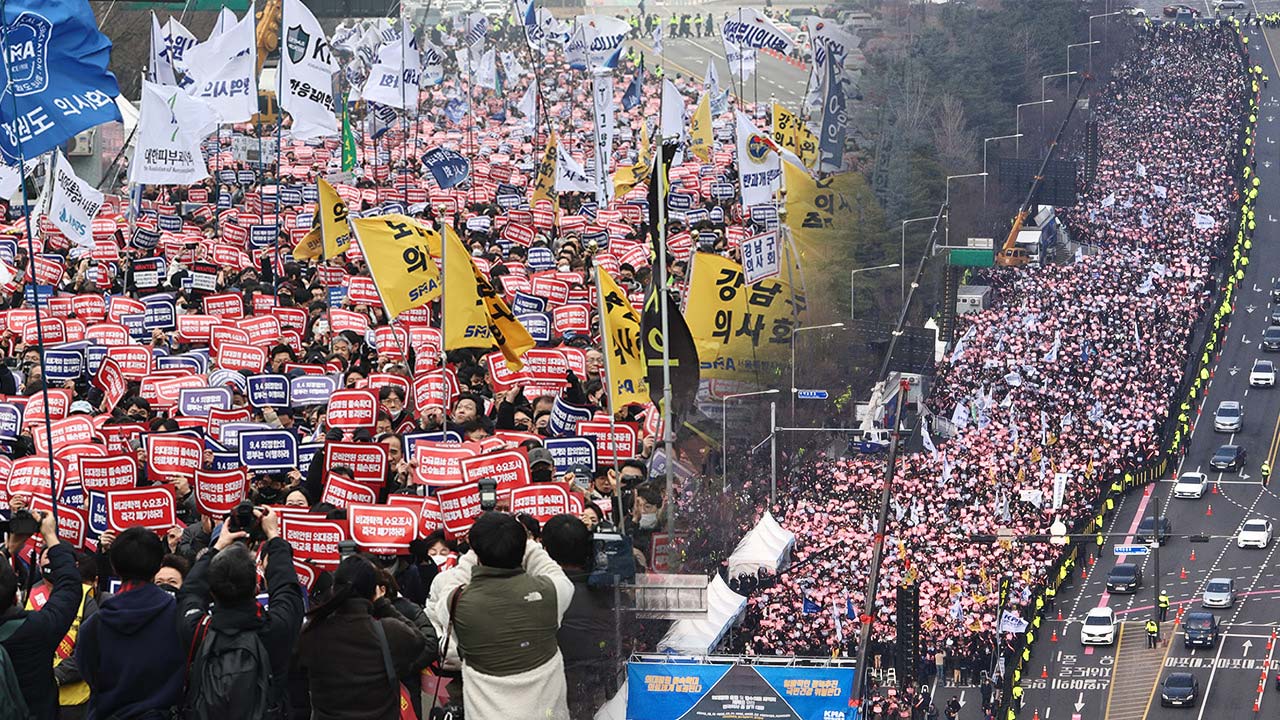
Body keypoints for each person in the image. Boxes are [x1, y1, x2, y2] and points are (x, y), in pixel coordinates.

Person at [428, 512, 575, 720]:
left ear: (477, 553)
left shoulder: (455, 603)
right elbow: (549, 568)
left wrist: (480, 546)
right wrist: (522, 541)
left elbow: (454, 579)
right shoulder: (553, 592)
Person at [177, 507, 305, 718]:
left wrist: (217, 546)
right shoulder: (276, 629)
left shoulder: (196, 629)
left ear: (212, 591)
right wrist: (274, 536)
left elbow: (190, 591)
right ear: (256, 586)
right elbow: (287, 589)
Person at [296, 555, 427, 720]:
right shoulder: (389, 631)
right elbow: (418, 640)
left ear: (334, 589)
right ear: (374, 591)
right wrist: (382, 604)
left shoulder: (313, 633)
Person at [77, 526, 186, 720]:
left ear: (114, 567)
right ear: (158, 565)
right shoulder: (179, 616)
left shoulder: (94, 625)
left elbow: (89, 672)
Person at [0, 511, 82, 720]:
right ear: (15, 596)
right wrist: (51, 537)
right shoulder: (34, 630)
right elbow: (69, 589)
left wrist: (8, 551)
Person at [542, 515, 616, 719]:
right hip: (604, 698)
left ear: (546, 550)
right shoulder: (612, 591)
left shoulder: (541, 596)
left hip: (554, 698)